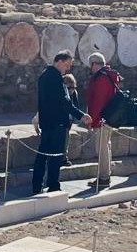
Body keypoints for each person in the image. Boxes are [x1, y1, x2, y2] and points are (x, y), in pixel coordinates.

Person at [34, 53, 91, 193]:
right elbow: (65, 102)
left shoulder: (43, 76)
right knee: (55, 156)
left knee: (42, 155)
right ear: (59, 61)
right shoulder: (56, 78)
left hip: (46, 123)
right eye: (67, 65)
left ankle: (37, 185)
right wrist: (81, 115)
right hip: (57, 123)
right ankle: (53, 185)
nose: (67, 69)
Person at [85, 53, 122, 188]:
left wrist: (91, 119)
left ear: (94, 64)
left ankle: (104, 177)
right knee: (106, 146)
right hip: (108, 117)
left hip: (102, 118)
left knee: (102, 149)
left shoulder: (101, 78)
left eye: (91, 65)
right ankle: (105, 175)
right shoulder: (108, 75)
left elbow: (98, 102)